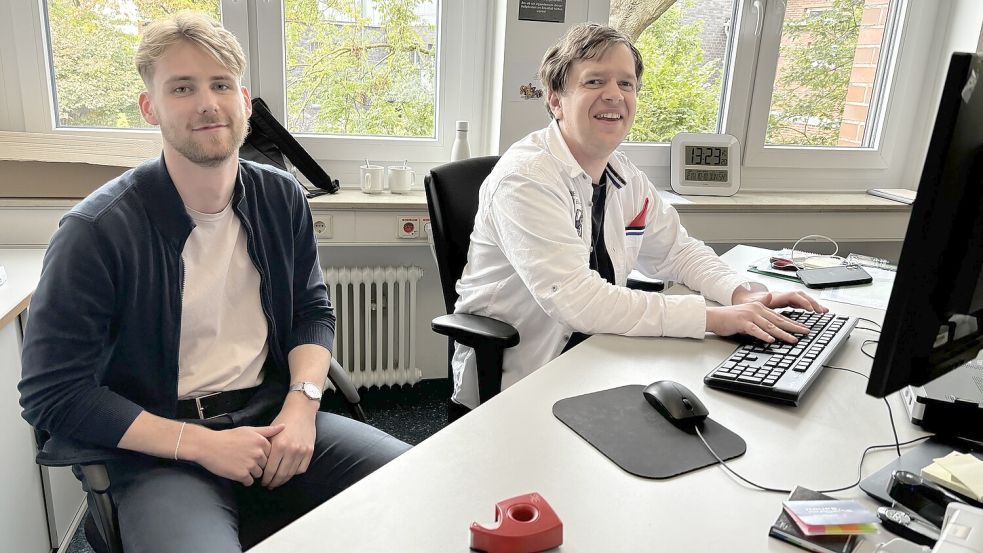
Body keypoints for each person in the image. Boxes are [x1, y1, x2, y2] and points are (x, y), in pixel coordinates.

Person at [18, 11, 408, 553]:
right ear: (149, 107)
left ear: (244, 101)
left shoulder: (280, 197)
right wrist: (195, 443)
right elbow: (52, 395)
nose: (208, 103)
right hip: (159, 450)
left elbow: (312, 314)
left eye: (221, 84)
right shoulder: (97, 230)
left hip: (272, 419)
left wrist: (302, 404)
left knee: (422, 488)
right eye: (183, 87)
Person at [450, 23, 826, 410]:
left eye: (626, 84)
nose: (614, 95)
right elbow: (578, 301)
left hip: (599, 355)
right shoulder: (526, 179)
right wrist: (714, 319)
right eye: (595, 81)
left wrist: (742, 293)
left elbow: (677, 252)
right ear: (556, 101)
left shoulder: (624, 175)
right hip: (525, 378)